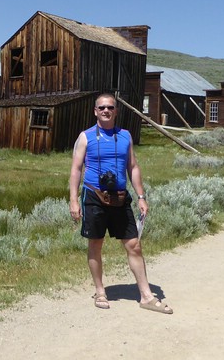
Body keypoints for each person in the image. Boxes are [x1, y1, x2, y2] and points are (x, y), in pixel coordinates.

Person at [68, 92, 173, 314]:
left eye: (110, 108)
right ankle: (100, 291)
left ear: (116, 110)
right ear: (95, 111)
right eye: (102, 108)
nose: (106, 111)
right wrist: (73, 200)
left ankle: (146, 295)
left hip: (121, 197)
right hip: (94, 196)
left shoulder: (125, 136)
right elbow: (76, 169)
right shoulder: (85, 137)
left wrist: (141, 196)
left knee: (134, 244)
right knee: (96, 244)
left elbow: (132, 167)